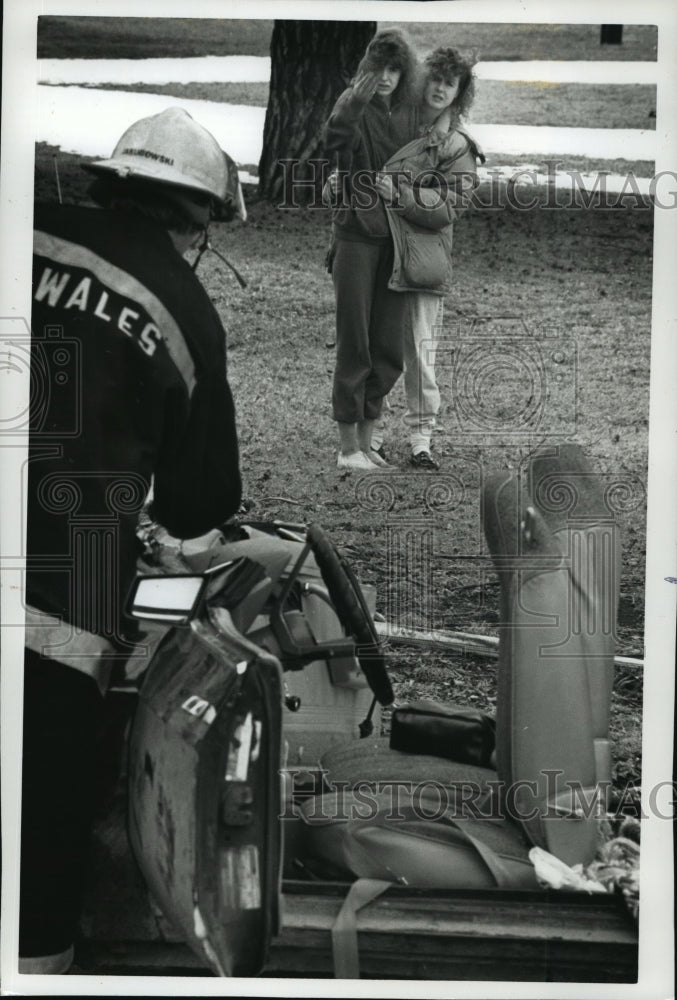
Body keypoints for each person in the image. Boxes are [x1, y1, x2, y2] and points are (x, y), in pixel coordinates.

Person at [20, 107, 245, 974]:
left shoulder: (25, 232)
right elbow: (199, 504)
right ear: (197, 221)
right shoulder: (184, 310)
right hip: (57, 604)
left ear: (112, 184)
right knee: (40, 843)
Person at [370, 46, 484, 469]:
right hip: (383, 251)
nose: (439, 88)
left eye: (449, 83)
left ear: (460, 92)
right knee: (379, 344)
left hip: (422, 258)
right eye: (434, 78)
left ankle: (421, 440)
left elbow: (451, 205)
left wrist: (401, 194)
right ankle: (372, 433)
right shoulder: (394, 124)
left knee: (420, 350)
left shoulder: (457, 146)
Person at [324, 29, 419, 471]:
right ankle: (347, 450)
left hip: (396, 241)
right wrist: (352, 100)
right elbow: (335, 139)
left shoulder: (409, 114)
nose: (386, 77)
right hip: (355, 237)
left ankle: (366, 447)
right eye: (378, 68)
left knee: (387, 348)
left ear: (404, 73)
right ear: (367, 69)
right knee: (355, 343)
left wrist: (403, 193)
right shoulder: (353, 106)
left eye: (394, 69)